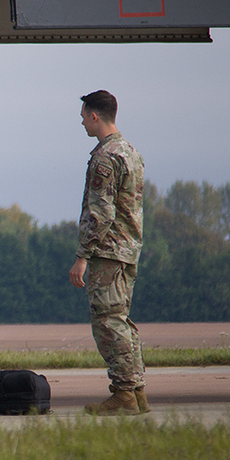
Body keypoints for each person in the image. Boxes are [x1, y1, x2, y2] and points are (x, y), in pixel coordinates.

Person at [68, 90, 150, 416]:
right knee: (122, 322)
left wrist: (82, 257)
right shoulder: (131, 152)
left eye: (84, 116)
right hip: (128, 249)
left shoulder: (105, 158)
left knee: (107, 323)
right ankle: (136, 390)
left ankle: (124, 393)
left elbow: (100, 213)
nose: (82, 122)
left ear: (95, 116)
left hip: (109, 251)